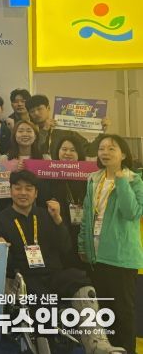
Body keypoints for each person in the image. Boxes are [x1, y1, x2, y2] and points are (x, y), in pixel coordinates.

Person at [0, 170, 122, 354]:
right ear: (10, 191)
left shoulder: (47, 215)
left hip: (52, 274)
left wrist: (59, 220)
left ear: (36, 193)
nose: (23, 193)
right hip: (22, 278)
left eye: (28, 188)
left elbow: (66, 248)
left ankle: (96, 344)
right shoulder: (0, 220)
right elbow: (4, 265)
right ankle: (45, 348)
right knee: (41, 297)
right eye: (18, 188)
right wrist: (0, 249)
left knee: (81, 283)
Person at [78, 135, 143, 353]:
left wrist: (121, 181)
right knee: (104, 312)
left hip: (121, 257)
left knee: (124, 312)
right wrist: (83, 245)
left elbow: (132, 212)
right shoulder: (93, 179)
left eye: (111, 148)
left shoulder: (134, 180)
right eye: (102, 148)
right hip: (96, 255)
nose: (105, 152)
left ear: (123, 154)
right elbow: (87, 215)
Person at [47, 133, 89, 266]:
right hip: (58, 228)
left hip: (83, 230)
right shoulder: (48, 174)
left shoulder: (88, 176)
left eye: (73, 150)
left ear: (79, 153)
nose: (68, 153)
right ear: (57, 151)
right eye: (64, 149)